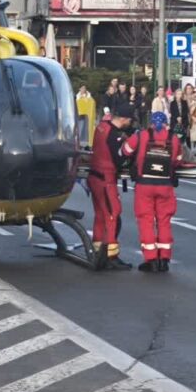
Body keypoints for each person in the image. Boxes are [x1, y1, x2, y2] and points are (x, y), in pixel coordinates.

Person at [122, 111, 185, 272]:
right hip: (165, 185)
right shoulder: (174, 138)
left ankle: (151, 259)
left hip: (144, 185)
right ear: (166, 123)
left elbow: (126, 151)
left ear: (150, 123)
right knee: (164, 220)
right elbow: (178, 160)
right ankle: (164, 258)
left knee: (146, 221)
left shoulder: (142, 135)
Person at [87, 101, 136, 271]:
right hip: (106, 179)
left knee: (100, 215)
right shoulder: (114, 136)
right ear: (123, 119)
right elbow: (120, 158)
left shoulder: (102, 126)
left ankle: (97, 250)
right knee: (112, 215)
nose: (131, 123)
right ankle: (111, 256)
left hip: (94, 176)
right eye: (130, 120)